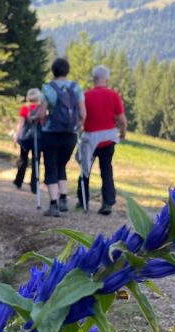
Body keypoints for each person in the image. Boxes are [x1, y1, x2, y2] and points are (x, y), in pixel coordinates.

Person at [32, 57, 86, 217]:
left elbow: (41, 113)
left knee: (51, 167)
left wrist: (36, 118)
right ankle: (63, 198)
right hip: (70, 134)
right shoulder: (76, 88)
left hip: (51, 133)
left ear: (53, 71)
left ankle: (54, 204)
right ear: (67, 70)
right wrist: (79, 125)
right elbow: (83, 113)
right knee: (62, 165)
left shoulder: (48, 88)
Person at [77, 65, 127, 215]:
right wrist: (122, 134)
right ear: (106, 78)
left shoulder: (86, 95)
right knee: (106, 170)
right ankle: (107, 203)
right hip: (108, 139)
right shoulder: (113, 95)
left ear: (94, 78)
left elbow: (81, 117)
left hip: (89, 137)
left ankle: (83, 200)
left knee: (85, 169)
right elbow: (121, 119)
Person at [13, 88, 42, 193]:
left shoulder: (25, 109)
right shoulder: (41, 109)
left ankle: (18, 181)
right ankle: (34, 186)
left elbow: (21, 124)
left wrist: (16, 136)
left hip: (25, 138)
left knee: (23, 159)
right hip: (38, 138)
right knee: (36, 161)